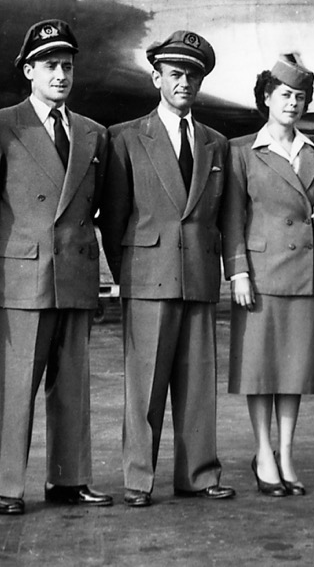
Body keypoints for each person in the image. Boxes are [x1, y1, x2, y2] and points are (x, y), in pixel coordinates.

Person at [0, 19, 113, 515]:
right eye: (50, 65)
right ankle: (10, 487)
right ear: (29, 70)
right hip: (21, 278)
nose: (61, 75)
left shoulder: (93, 133)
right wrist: (14, 253)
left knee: (72, 385)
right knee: (16, 387)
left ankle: (69, 480)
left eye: (67, 66)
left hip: (74, 275)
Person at [98, 31, 236, 508]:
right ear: (157, 77)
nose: (185, 83)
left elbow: (223, 218)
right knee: (145, 387)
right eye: (176, 74)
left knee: (199, 387)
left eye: (193, 76)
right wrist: (130, 273)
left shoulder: (216, 144)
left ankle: (198, 474)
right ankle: (138, 480)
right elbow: (113, 217)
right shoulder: (126, 138)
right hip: (147, 277)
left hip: (198, 276)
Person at [222, 59, 314, 497]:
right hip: (260, 273)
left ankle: (287, 454)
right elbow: (231, 217)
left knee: (294, 372)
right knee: (260, 371)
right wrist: (237, 270)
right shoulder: (241, 150)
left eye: (300, 97)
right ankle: (264, 454)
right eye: (285, 95)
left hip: (306, 275)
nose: (293, 103)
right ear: (267, 99)